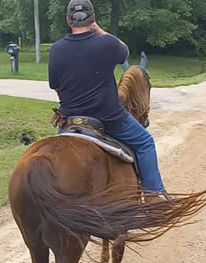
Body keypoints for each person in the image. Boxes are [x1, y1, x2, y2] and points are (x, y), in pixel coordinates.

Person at [48, 0, 171, 199]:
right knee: (146, 142)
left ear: (68, 20)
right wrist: (98, 30)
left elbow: (54, 85)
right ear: (93, 19)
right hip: (110, 120)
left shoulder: (56, 49)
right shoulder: (106, 43)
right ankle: (153, 194)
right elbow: (124, 53)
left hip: (70, 121)